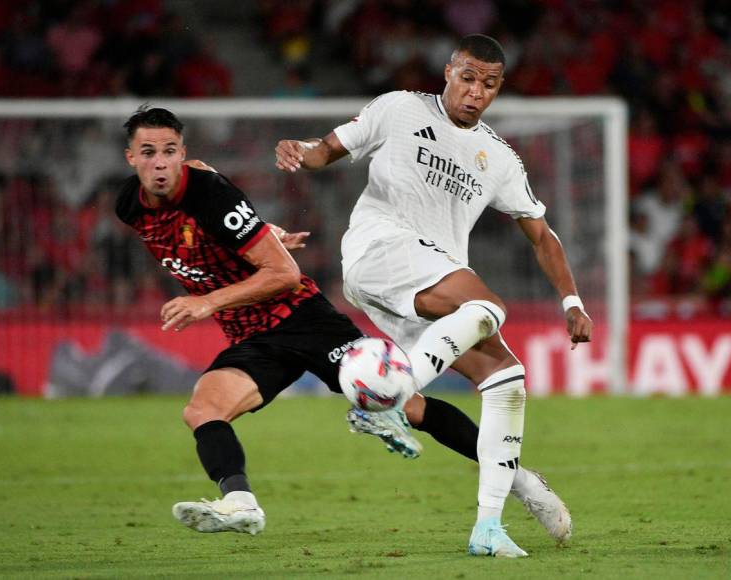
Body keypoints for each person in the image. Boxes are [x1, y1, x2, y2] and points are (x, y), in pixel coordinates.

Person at [116, 106, 568, 540]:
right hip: (251, 336)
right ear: (130, 157)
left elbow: (284, 273)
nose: (161, 163)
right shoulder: (129, 206)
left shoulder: (210, 194)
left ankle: (522, 481)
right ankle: (240, 505)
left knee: (405, 405)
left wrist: (207, 301)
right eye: (149, 152)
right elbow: (209, 193)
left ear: (182, 151)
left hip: (302, 318)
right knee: (202, 410)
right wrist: (259, 230)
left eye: (170, 150)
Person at [275, 34, 592, 557]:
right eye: (467, 77)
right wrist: (300, 151)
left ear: (498, 89)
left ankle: (489, 526)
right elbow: (329, 149)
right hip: (380, 247)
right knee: (487, 307)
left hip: (427, 282)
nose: (475, 92)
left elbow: (542, 235)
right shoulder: (399, 109)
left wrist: (572, 301)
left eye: (488, 84)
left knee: (506, 377)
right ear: (447, 71)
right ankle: (387, 401)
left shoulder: (499, 157)